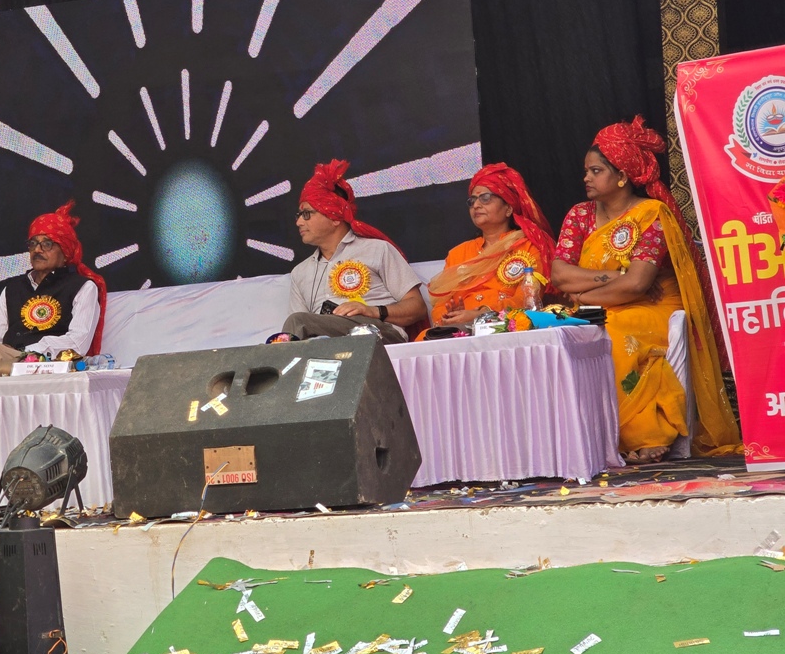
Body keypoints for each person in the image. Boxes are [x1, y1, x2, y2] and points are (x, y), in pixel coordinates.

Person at [550, 116, 741, 463]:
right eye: (586, 171)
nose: (586, 178)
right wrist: (612, 279)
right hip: (599, 305)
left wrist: (582, 294)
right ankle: (583, 436)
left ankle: (643, 434)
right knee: (563, 332)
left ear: (622, 175)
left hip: (655, 308)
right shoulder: (579, 215)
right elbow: (560, 274)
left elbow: (638, 284)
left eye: (596, 171)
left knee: (612, 331)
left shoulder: (651, 213)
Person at [282, 159, 426, 343]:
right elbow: (295, 338)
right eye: (299, 215)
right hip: (326, 344)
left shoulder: (376, 249)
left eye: (307, 214)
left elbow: (417, 307)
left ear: (335, 217)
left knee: (297, 322)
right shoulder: (300, 272)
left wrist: (373, 311)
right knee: (290, 335)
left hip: (377, 334)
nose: (299, 222)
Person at [0, 201, 106, 370]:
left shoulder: (82, 287)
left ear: (65, 252)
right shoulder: (13, 289)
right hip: (9, 362)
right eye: (33, 244)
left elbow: (78, 343)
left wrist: (30, 353)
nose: (37, 250)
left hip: (50, 364)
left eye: (47, 244)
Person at [426, 163, 555, 328]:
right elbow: (439, 307)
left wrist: (482, 314)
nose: (476, 205)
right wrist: (449, 315)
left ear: (508, 208)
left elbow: (526, 300)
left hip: (506, 326)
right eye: (472, 201)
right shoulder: (457, 254)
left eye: (485, 198)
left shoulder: (529, 248)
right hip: (458, 331)